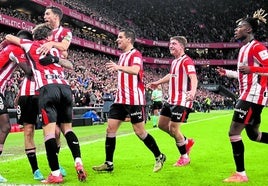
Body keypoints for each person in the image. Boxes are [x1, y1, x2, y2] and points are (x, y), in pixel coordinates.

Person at [5, 24, 86, 184]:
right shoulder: (55, 49)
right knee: (65, 129)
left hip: (46, 90)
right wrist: (55, 53)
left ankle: (55, 172)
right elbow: (70, 64)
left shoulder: (30, 45)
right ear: (49, 37)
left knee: (50, 133)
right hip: (60, 89)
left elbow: (9, 37)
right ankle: (77, 161)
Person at [92, 28, 166, 173]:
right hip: (120, 99)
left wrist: (118, 67)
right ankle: (109, 163)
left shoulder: (135, 54)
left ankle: (159, 156)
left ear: (129, 40)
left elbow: (135, 70)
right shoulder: (122, 56)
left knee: (140, 132)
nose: (117, 40)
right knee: (110, 129)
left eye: (120, 37)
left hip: (134, 100)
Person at [216, 9, 268, 183]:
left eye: (239, 27)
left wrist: (253, 69)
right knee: (254, 135)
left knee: (233, 132)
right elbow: (243, 73)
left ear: (248, 30)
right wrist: (228, 73)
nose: (235, 29)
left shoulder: (257, 47)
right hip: (247, 95)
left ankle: (241, 174)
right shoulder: (244, 49)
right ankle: (241, 173)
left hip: (253, 96)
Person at [147, 36, 197, 167]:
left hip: (182, 101)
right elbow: (171, 76)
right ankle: (185, 141)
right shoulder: (174, 62)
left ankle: (184, 157)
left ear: (181, 46)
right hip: (171, 100)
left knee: (174, 129)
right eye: (170, 44)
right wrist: (157, 82)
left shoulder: (187, 61)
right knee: (162, 125)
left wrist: (192, 92)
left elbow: (193, 77)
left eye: (174, 44)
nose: (170, 46)